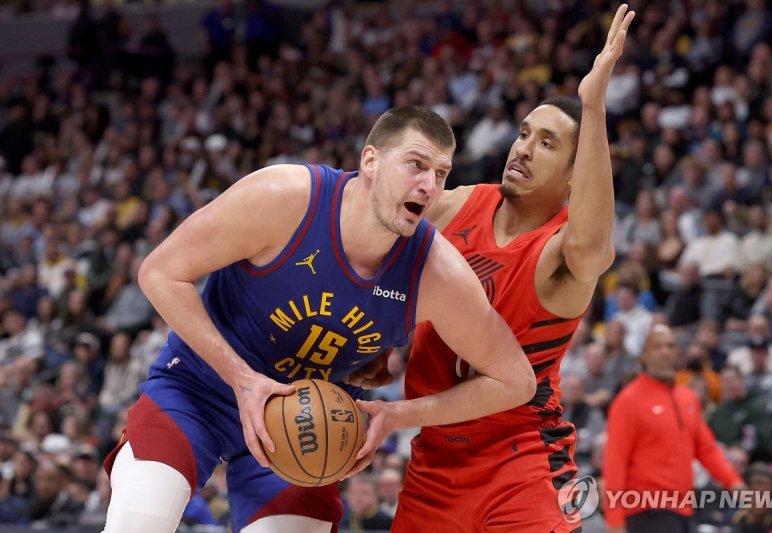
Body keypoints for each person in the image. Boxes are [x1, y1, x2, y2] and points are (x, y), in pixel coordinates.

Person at [100, 105, 536, 533]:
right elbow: (159, 272)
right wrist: (242, 379)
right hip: (199, 391)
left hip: (307, 427)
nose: (428, 185)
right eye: (416, 165)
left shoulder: (437, 272)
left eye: (440, 174)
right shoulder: (284, 197)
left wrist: (399, 414)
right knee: (137, 523)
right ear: (371, 160)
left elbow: (515, 380)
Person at [356, 6, 634, 531]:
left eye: (546, 144)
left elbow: (595, 244)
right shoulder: (454, 207)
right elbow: (377, 250)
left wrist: (592, 105)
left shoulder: (562, 256)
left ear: (576, 175)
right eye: (524, 133)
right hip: (434, 463)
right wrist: (380, 340)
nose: (523, 149)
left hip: (523, 461)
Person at [603, 325, 745, 533]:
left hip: (683, 509)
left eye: (670, 346)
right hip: (645, 511)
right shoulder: (628, 401)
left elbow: (706, 449)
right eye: (657, 346)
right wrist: (614, 522)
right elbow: (615, 461)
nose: (665, 352)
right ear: (644, 355)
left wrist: (733, 482)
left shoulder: (687, 398)